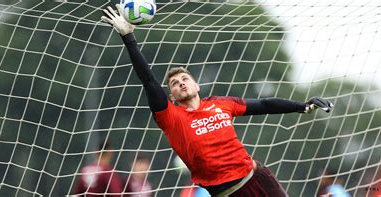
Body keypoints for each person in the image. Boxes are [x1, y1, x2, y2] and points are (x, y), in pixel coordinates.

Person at [101, 4, 334, 197]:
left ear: (196, 85)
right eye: (174, 83)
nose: (181, 82)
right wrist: (128, 37)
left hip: (258, 177)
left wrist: (302, 106)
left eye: (185, 78)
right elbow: (148, 80)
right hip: (229, 193)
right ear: (171, 96)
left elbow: (264, 105)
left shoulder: (221, 104)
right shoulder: (172, 117)